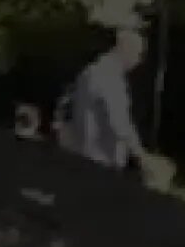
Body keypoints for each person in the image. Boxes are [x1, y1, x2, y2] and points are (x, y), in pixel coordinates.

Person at [60, 28, 165, 176]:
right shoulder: (110, 78)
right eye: (139, 55)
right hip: (101, 164)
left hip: (81, 157)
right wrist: (142, 157)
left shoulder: (89, 72)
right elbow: (119, 123)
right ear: (126, 49)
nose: (139, 61)